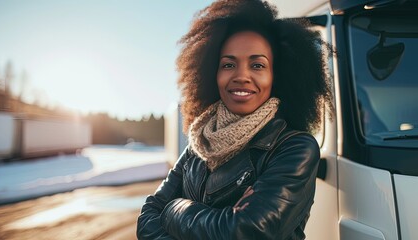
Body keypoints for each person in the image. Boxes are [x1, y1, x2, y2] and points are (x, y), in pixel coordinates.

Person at [137, 0, 334, 239]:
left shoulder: (294, 148)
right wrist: (221, 220)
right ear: (212, 73)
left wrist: (175, 209)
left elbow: (247, 231)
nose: (241, 76)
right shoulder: (197, 146)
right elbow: (147, 217)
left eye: (257, 65)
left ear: (277, 75)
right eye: (228, 64)